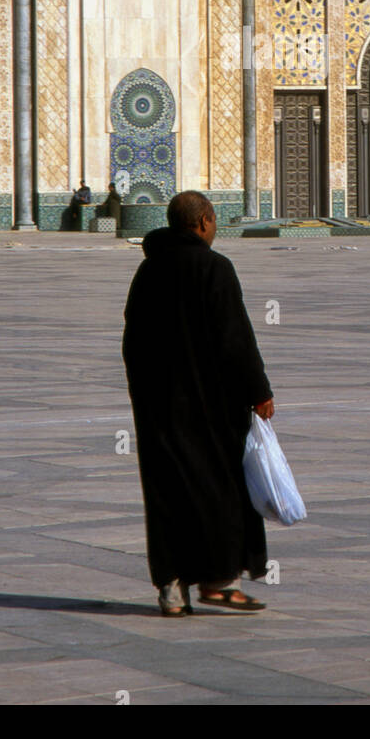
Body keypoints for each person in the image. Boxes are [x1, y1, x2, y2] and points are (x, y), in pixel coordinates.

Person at [122, 190, 275, 616]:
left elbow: (132, 342)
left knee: (167, 491)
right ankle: (218, 581)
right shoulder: (215, 268)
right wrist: (258, 390)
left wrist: (145, 395)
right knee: (221, 490)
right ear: (205, 220)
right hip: (212, 408)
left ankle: (171, 587)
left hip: (159, 407)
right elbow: (235, 338)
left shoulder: (148, 271)